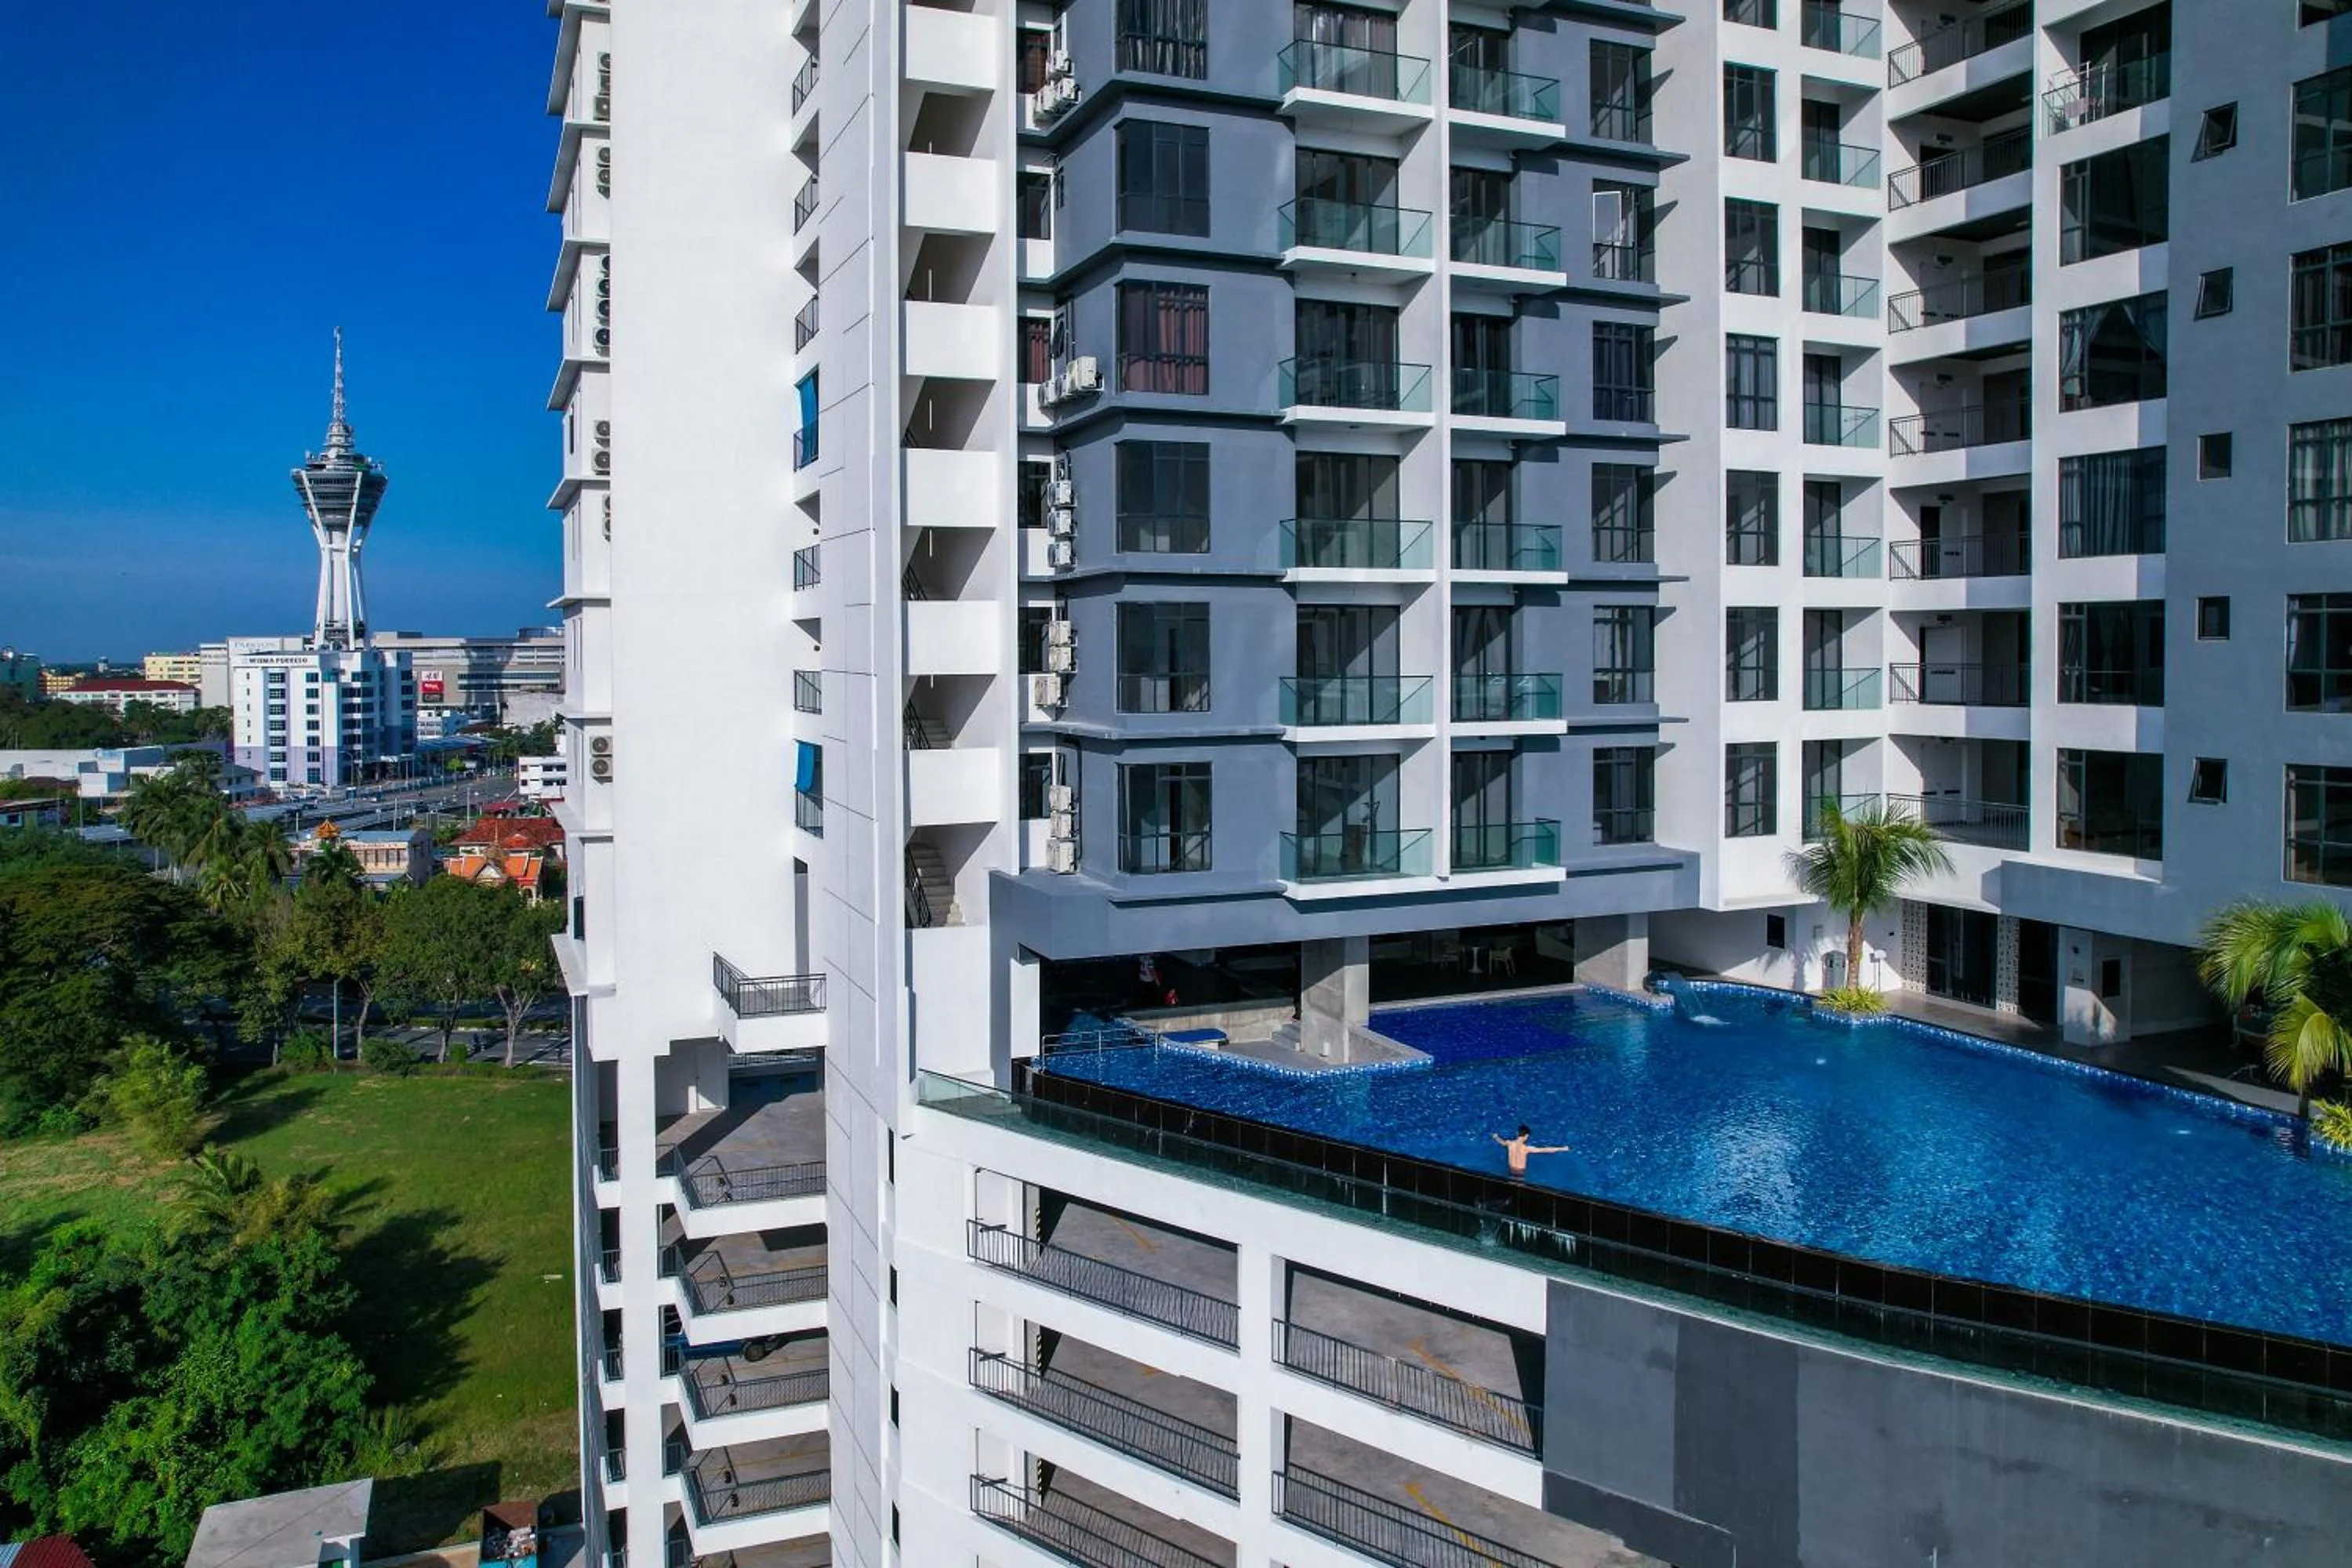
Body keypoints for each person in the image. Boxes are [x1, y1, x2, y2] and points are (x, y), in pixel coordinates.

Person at [1493, 1124, 1569, 1176]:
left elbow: (1502, 1142)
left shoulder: (1510, 1143)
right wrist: (1562, 1148)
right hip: (1520, 1174)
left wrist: (1496, 1137)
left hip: (1511, 1171)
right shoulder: (1526, 1149)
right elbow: (1545, 1150)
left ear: (1517, 1133)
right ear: (1527, 1136)